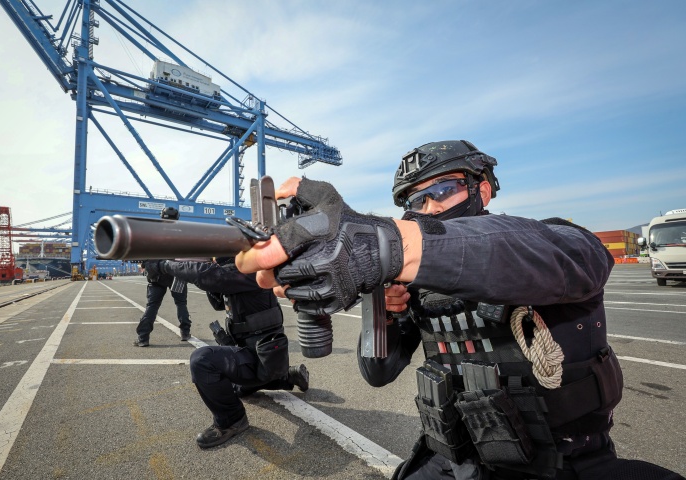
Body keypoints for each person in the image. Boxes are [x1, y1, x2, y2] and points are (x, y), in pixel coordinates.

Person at [234, 140, 684, 479]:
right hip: (450, 460)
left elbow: (551, 256)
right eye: (414, 202)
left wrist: (388, 245)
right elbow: (378, 373)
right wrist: (384, 307)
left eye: (443, 190)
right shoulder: (417, 278)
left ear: (482, 190)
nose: (427, 208)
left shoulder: (552, 240)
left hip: (561, 464)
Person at [142, 257, 310, 449]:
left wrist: (164, 265)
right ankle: (288, 376)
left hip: (261, 359)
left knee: (202, 361)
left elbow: (208, 276)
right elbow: (218, 300)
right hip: (265, 359)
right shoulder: (244, 275)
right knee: (238, 389)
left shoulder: (251, 272)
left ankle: (232, 420)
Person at [133, 207, 192, 347]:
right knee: (181, 304)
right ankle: (185, 333)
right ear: (177, 217)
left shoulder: (153, 233)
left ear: (162, 216)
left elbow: (144, 255)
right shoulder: (182, 234)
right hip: (176, 275)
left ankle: (143, 338)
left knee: (152, 306)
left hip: (157, 276)